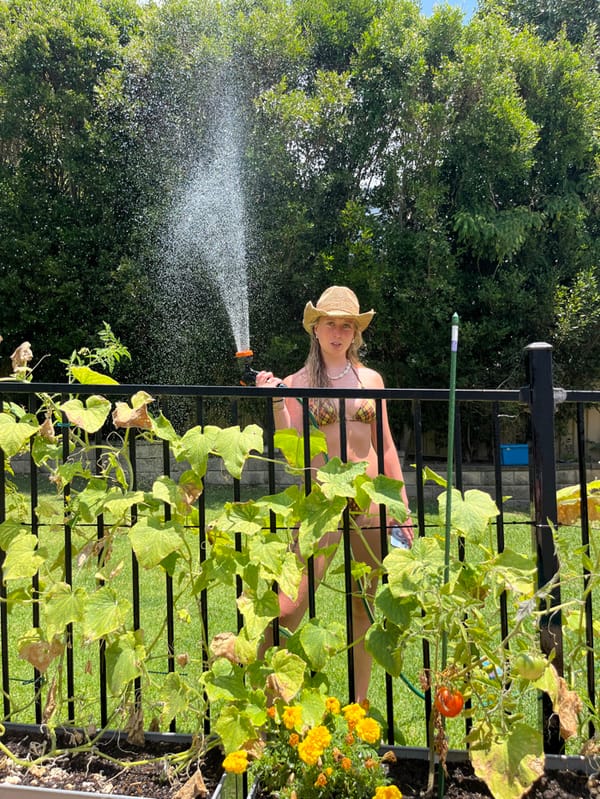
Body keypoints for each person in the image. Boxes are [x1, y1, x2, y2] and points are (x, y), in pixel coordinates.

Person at [256, 285, 414, 701]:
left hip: (370, 502)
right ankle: (265, 696)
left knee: (364, 604)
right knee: (288, 607)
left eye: (347, 325)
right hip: (322, 504)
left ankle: (357, 707)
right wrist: (277, 403)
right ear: (316, 328)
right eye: (331, 323)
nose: (339, 332)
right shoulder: (297, 382)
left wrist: (402, 506)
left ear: (356, 333)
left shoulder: (370, 379)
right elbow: (293, 454)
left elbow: (386, 442)